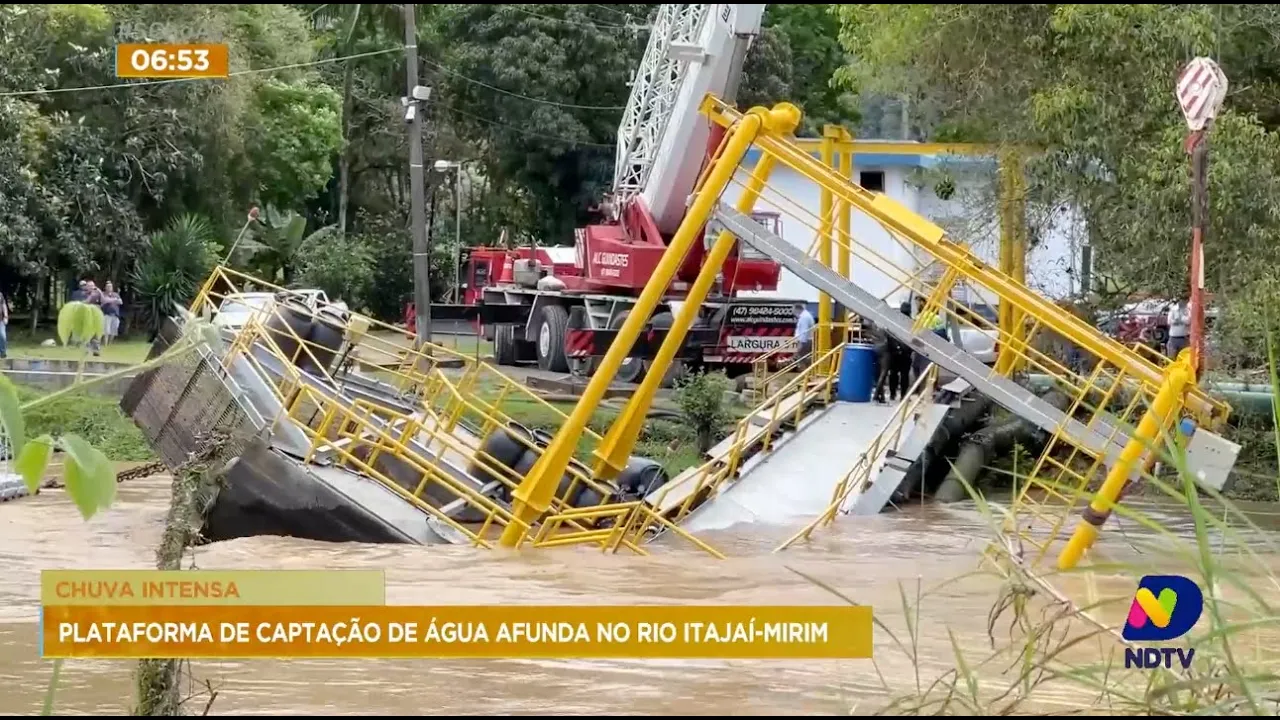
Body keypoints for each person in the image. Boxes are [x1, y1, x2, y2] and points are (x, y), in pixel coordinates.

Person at [793, 302, 815, 368]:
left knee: (802, 359)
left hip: (805, 341)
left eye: (794, 310)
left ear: (797, 309)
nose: (793, 312)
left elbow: (804, 331)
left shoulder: (804, 317)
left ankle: (805, 371)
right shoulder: (805, 316)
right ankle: (806, 371)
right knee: (804, 358)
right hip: (806, 341)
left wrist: (801, 343)